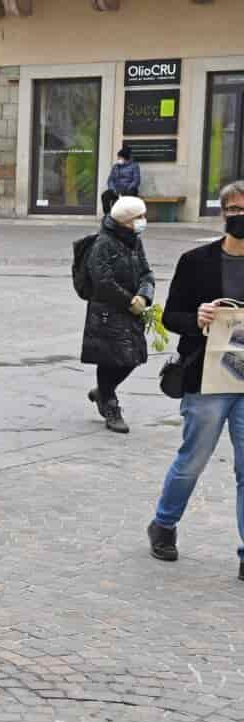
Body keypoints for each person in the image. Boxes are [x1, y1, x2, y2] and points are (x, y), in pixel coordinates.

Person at [148, 180, 244, 580]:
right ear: (224, 214)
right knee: (193, 459)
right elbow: (171, 317)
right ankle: (164, 524)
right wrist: (199, 318)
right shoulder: (196, 260)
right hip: (207, 377)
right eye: (236, 210)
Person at [81, 196, 155, 434]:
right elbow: (102, 281)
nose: (143, 221)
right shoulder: (103, 243)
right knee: (110, 357)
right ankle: (110, 404)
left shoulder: (134, 241)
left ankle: (103, 391)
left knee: (134, 356)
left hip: (132, 308)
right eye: (139, 217)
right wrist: (128, 300)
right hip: (106, 311)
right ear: (125, 220)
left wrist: (144, 295)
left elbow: (146, 272)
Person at [104, 147, 142, 214]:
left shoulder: (134, 166)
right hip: (116, 190)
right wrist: (113, 189)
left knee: (128, 196)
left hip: (129, 190)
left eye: (120, 158)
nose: (118, 159)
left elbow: (136, 180)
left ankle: (126, 215)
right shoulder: (115, 167)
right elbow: (110, 180)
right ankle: (108, 215)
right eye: (118, 157)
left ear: (125, 158)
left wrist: (127, 189)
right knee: (105, 195)